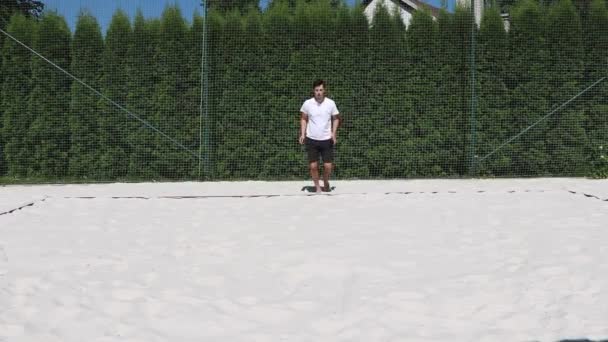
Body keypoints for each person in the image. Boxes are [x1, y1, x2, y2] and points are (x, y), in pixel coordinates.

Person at [299, 79, 341, 193]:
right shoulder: (307, 103)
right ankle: (317, 187)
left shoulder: (330, 103)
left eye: (321, 90)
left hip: (326, 140)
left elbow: (336, 118)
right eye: (317, 90)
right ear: (313, 91)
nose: (318, 92)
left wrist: (333, 133)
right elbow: (303, 118)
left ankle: (326, 181)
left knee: (328, 166)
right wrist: (302, 134)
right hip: (311, 139)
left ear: (324, 91)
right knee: (313, 166)